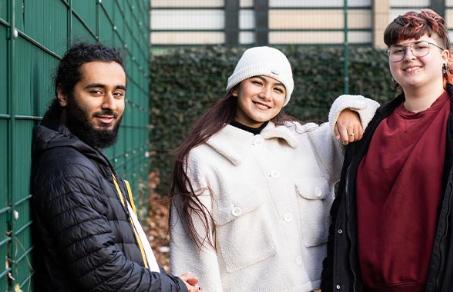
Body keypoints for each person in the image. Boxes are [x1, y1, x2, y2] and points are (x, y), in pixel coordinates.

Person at [321, 9, 453, 292]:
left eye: (421, 46)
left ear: (445, 57)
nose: (409, 56)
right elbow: (342, 214)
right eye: (398, 50)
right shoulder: (368, 126)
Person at [169, 46, 380, 291]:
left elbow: (377, 116)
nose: (267, 95)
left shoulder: (308, 143)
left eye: (278, 89)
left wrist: (348, 110)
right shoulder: (202, 159)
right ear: (236, 88)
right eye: (257, 82)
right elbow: (194, 254)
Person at [30, 43, 199, 291]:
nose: (110, 105)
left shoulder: (85, 155)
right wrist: (175, 288)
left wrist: (171, 282)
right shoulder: (69, 167)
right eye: (96, 92)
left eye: (118, 93)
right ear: (63, 94)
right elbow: (104, 273)